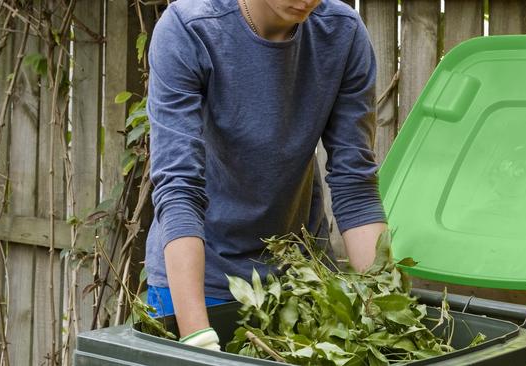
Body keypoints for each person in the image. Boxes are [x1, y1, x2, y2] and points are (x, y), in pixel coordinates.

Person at [144, 0, 387, 351]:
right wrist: (198, 338)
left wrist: (382, 309)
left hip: (301, 285)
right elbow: (179, 186)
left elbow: (355, 185)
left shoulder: (342, 34)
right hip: (199, 288)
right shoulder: (191, 28)